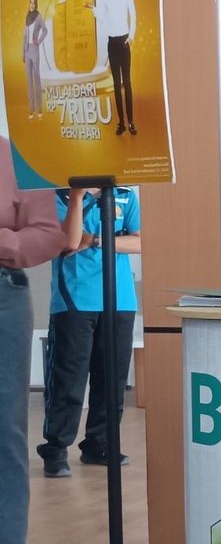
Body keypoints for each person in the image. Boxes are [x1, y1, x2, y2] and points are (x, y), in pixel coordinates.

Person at [0, 138, 67, 544]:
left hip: (2, 296)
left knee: (3, 428)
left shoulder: (18, 155)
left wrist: (3, 241)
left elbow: (49, 234)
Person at [36, 184, 140, 478]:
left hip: (120, 300)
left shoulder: (124, 196)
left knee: (112, 379)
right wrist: (78, 196)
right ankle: (56, 448)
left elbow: (140, 242)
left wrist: (95, 239)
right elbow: (69, 242)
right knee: (68, 379)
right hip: (74, 300)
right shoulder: (57, 197)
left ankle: (99, 444)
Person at [84, 0, 136, 137]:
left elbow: (133, 14)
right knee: (116, 84)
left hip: (124, 41)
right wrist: (93, 8)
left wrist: (131, 36)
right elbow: (103, 17)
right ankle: (121, 123)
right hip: (112, 43)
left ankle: (131, 122)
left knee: (127, 83)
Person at [22, 0, 47, 121]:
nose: (31, 5)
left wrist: (39, 40)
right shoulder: (27, 17)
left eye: (33, 3)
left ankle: (40, 109)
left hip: (35, 51)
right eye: (30, 3)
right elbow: (24, 37)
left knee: (37, 79)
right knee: (29, 81)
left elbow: (45, 30)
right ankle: (32, 110)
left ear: (36, 5)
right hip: (27, 52)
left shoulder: (38, 17)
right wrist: (23, 52)